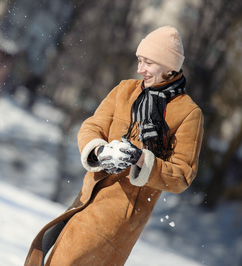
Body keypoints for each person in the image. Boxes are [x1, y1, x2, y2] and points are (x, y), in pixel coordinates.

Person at [24, 26, 204, 266]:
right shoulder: (124, 90)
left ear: (169, 66)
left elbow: (182, 175)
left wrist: (141, 158)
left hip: (121, 213)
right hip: (87, 197)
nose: (141, 69)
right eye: (140, 61)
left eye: (148, 63)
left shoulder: (189, 113)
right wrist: (101, 150)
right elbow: (91, 127)